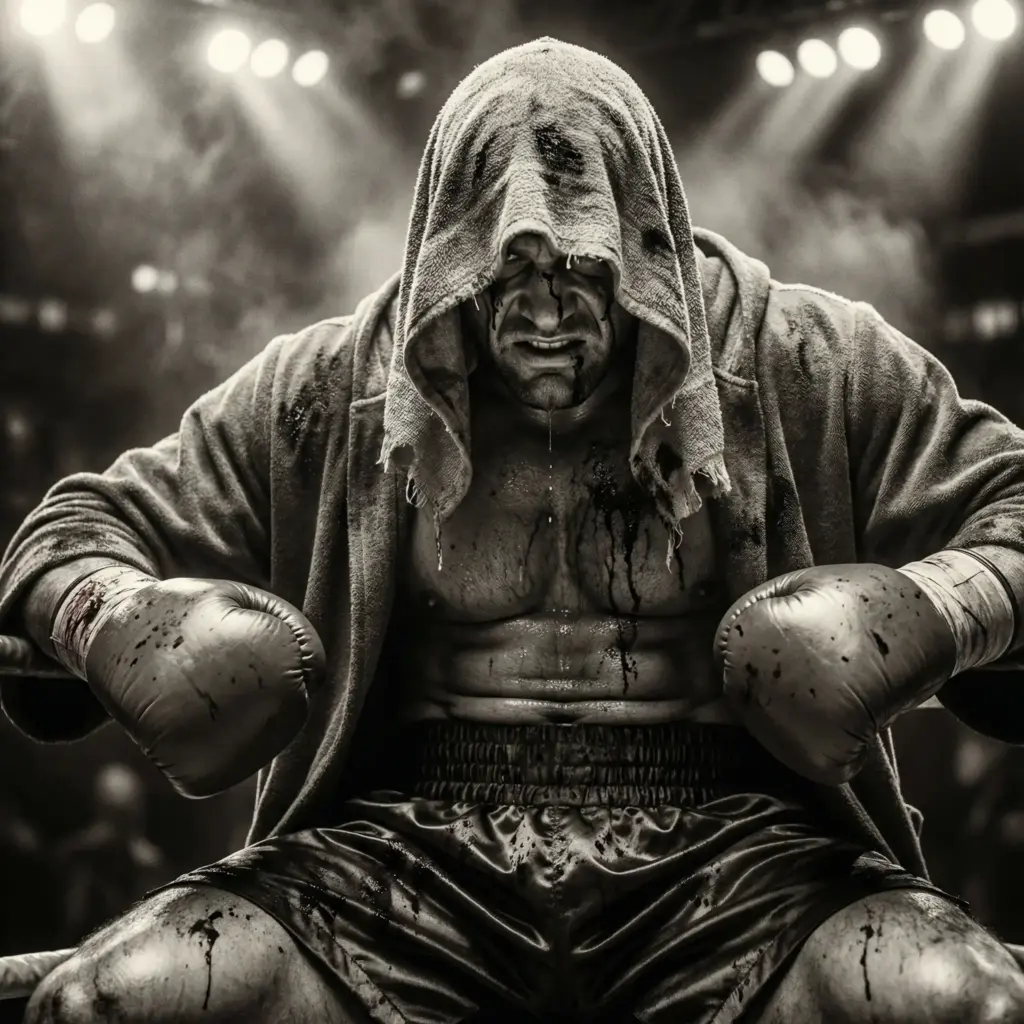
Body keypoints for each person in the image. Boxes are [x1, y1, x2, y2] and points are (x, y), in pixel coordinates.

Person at [2, 36, 1024, 1024]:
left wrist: (945, 607)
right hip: (406, 860)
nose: (543, 312)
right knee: (106, 999)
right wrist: (112, 614)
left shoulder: (799, 357)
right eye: (505, 275)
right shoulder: (342, 384)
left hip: (736, 854)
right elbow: (74, 528)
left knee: (963, 1002)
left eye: (580, 272)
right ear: (452, 258)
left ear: (639, 243)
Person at [52, 763, 166, 946]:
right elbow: (72, 920)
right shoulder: (78, 855)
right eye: (116, 813)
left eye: (124, 815)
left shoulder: (148, 864)